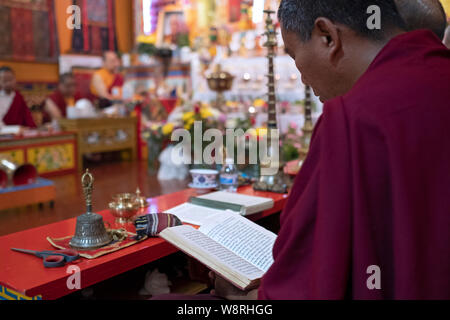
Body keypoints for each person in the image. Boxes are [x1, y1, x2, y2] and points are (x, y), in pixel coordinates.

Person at [208, 0, 450, 300]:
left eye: (296, 58)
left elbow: (306, 288)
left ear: (327, 36)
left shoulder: (353, 118)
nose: (304, 79)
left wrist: (238, 297)